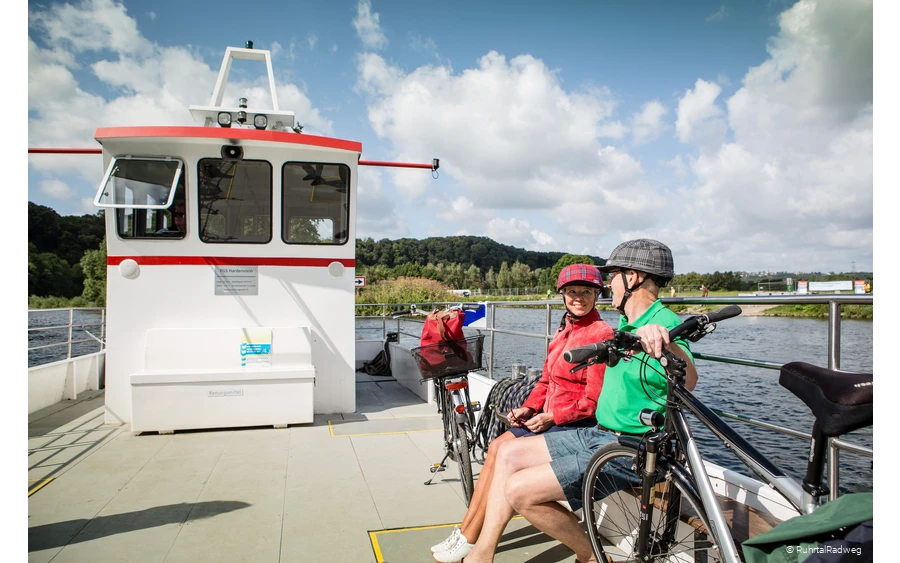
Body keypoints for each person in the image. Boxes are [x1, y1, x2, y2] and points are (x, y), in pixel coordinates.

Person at [459, 238, 698, 563]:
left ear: (632, 277)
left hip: (633, 448)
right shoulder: (627, 322)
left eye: (612, 276)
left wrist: (666, 343)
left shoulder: (663, 322)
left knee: (519, 491)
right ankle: (482, 553)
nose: (608, 285)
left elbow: (689, 380)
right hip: (600, 434)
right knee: (506, 452)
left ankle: (590, 557)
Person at [430, 264, 614, 563]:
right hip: (548, 417)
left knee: (503, 451)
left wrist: (552, 417)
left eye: (586, 292)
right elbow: (546, 381)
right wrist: (528, 407)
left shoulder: (600, 334)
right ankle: (468, 534)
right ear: (562, 295)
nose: (578, 298)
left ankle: (475, 542)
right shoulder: (563, 330)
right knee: (495, 447)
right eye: (572, 291)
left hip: (574, 423)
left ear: (597, 296)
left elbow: (593, 402)